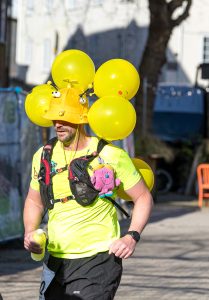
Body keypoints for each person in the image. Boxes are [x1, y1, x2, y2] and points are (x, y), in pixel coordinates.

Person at [23, 87, 153, 300]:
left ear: (82, 119)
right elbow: (34, 200)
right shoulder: (43, 155)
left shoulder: (110, 154)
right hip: (56, 260)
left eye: (65, 118)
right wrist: (30, 232)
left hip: (98, 259)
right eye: (55, 118)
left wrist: (132, 236)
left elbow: (143, 197)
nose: (58, 124)